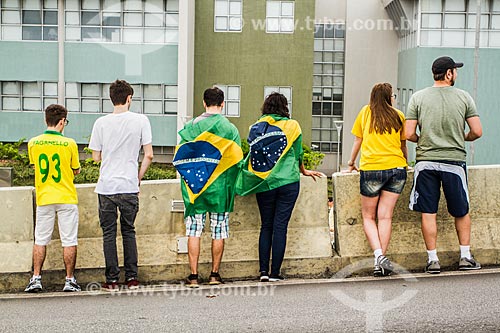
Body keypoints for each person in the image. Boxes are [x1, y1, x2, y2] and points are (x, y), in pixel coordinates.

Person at [405, 56, 483, 274]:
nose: (456, 74)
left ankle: (432, 260)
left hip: (426, 162)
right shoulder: (464, 97)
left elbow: (408, 133)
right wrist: (462, 138)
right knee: (461, 211)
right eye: (455, 71)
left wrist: (424, 139)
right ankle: (465, 256)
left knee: (428, 212)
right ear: (448, 74)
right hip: (454, 162)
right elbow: (477, 131)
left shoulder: (417, 98)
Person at [236, 92, 324, 282]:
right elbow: (298, 152)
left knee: (266, 226)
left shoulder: (255, 127)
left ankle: (263, 272)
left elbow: (253, 154)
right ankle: (275, 273)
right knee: (280, 226)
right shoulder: (292, 126)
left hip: (264, 182)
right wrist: (304, 170)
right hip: (288, 182)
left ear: (265, 108)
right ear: (285, 107)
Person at [173, 87, 243, 288]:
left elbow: (181, 157)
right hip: (220, 187)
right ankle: (214, 275)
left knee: (194, 230)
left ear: (204, 103)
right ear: (222, 104)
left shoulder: (191, 127)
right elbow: (237, 161)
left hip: (196, 187)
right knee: (218, 231)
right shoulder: (230, 129)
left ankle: (193, 276)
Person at [89, 80, 154, 290]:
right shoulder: (141, 120)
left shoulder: (100, 123)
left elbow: (96, 157)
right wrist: (138, 177)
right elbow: (149, 155)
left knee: (109, 233)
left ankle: (112, 280)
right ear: (129, 98)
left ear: (111, 98)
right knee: (128, 231)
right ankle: (132, 277)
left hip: (106, 186)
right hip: (128, 185)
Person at [347, 83, 408, 277]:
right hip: (396, 168)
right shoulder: (398, 115)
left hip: (372, 169)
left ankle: (379, 256)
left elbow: (358, 140)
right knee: (385, 216)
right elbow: (402, 144)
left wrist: (351, 163)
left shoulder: (365, 112)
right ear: (389, 97)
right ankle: (380, 262)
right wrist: (405, 162)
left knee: (368, 216)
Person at [24, 104, 81, 293]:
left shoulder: (34, 143)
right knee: (69, 240)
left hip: (44, 196)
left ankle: (36, 278)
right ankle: (69, 280)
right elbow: (76, 169)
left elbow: (35, 166)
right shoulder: (70, 143)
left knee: (40, 239)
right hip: (66, 196)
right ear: (63, 121)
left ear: (45, 120)